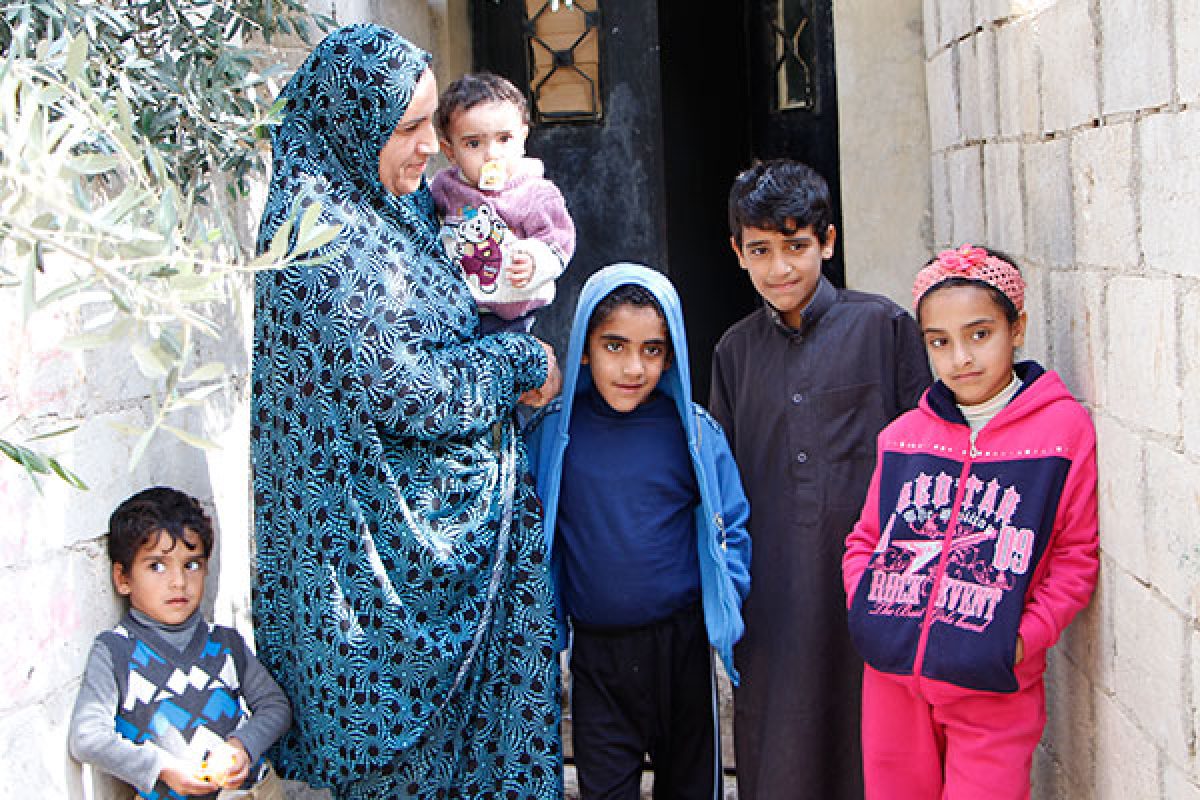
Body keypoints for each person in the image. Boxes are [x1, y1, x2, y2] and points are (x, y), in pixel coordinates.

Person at [251, 24, 563, 800]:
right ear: (350, 126)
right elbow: (415, 390)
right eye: (409, 127)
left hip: (458, 573)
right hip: (392, 610)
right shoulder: (323, 241)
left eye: (430, 122)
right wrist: (524, 360)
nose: (431, 147)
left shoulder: (393, 212)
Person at [708, 159, 932, 799]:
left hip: (873, 588)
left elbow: (923, 462)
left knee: (875, 749)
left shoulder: (884, 329)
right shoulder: (733, 352)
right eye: (761, 250)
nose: (780, 269)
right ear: (738, 252)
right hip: (774, 594)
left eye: (797, 247)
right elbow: (724, 486)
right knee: (781, 755)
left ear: (828, 241)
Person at [842, 245, 1099, 799]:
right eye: (940, 341)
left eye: (979, 334)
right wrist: (869, 613)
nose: (961, 357)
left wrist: (1020, 643)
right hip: (893, 680)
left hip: (992, 683)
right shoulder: (904, 435)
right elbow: (866, 539)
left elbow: (1076, 557)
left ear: (1017, 327)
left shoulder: (1062, 431)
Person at [524, 263, 751, 799]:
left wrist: (726, 602)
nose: (633, 367)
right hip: (598, 658)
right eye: (615, 346)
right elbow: (530, 529)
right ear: (584, 347)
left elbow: (731, 523)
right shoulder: (554, 434)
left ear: (670, 354)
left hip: (683, 651)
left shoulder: (694, 434)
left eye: (652, 349)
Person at [69, 487, 291, 800]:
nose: (179, 581)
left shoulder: (225, 643)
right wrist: (159, 767)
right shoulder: (116, 652)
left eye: (192, 564)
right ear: (123, 578)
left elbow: (274, 706)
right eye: (157, 566)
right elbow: (87, 737)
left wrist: (241, 746)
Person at [430, 71, 575, 334]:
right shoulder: (446, 188)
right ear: (450, 151)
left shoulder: (535, 193)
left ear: (522, 139)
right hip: (458, 310)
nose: (492, 155)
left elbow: (558, 241)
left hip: (515, 316)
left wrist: (535, 262)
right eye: (474, 144)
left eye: (504, 139)